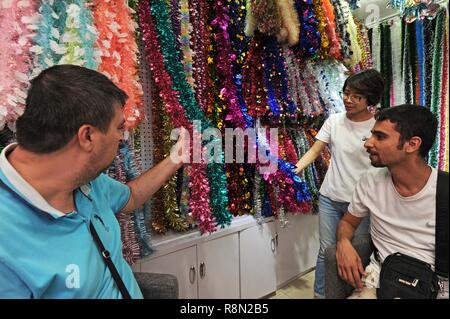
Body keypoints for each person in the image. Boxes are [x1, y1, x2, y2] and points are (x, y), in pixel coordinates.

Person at [0, 65, 186, 298]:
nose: (121, 137)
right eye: (119, 128)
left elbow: (131, 196)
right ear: (87, 136)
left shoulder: (83, 178)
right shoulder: (6, 241)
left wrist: (176, 158)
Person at [335, 104, 448, 299]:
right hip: (379, 278)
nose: (368, 143)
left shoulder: (444, 190)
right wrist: (343, 242)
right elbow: (347, 222)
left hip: (434, 286)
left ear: (412, 144)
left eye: (380, 137)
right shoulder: (369, 181)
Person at [294, 69, 385, 298]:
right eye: (346, 93)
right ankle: (321, 295)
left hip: (362, 204)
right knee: (327, 252)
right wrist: (291, 172)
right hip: (330, 199)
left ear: (371, 100)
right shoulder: (334, 121)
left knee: (357, 254)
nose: (348, 100)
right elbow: (315, 151)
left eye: (357, 96)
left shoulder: (378, 127)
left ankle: (352, 294)